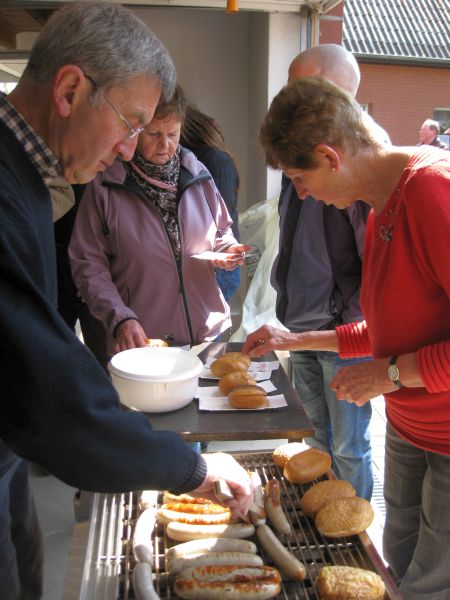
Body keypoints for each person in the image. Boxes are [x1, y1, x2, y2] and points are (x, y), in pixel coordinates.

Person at [0, 3, 252, 598]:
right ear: (69, 89)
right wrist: (191, 468)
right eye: (132, 122)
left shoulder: (31, 177)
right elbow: (41, 389)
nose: (129, 147)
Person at [243, 77, 450, 599]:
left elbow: (393, 357)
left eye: (298, 177)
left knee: (433, 582)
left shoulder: (433, 190)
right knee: (396, 566)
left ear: (329, 156)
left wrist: (392, 373)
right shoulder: (383, 203)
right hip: (410, 425)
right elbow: (383, 328)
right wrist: (296, 340)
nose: (301, 193)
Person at [69, 87, 248, 369]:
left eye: (173, 134)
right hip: (142, 342)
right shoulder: (105, 185)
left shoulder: (198, 174)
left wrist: (228, 249)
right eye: (154, 134)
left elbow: (221, 230)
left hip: (207, 334)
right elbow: (88, 265)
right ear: (135, 130)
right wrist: (120, 318)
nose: (165, 144)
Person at [271, 45, 374, 499]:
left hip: (345, 335)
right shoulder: (300, 154)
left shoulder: (364, 168)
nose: (293, 101)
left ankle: (353, 535)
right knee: (313, 439)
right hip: (302, 326)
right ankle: (319, 516)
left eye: (303, 90)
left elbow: (379, 272)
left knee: (349, 447)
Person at [180, 105, 242, 303]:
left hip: (217, 268)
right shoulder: (201, 159)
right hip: (204, 264)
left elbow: (219, 223)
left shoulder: (215, 161)